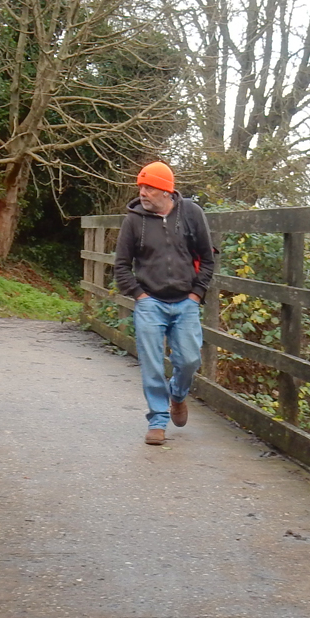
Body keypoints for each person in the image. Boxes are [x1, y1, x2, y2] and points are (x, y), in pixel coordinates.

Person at [114, 161, 216, 445]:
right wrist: (139, 295)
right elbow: (121, 265)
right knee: (152, 363)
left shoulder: (192, 214)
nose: (142, 193)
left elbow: (207, 259)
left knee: (190, 359)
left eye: (149, 188)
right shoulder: (134, 220)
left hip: (185, 302)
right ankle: (158, 420)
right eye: (141, 187)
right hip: (150, 302)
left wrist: (196, 294)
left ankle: (178, 395)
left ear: (166, 191)